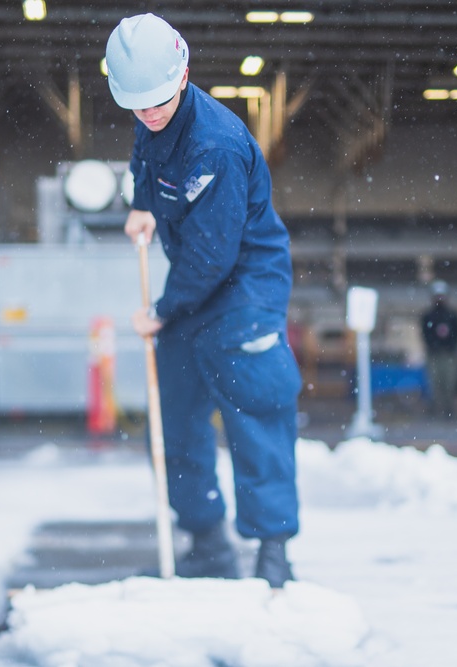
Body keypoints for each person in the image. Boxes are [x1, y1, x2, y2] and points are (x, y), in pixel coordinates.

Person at [105, 13, 302, 588]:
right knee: (172, 416)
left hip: (243, 287)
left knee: (257, 412)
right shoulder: (149, 109)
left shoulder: (215, 144)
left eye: (159, 101)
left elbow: (213, 259)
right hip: (196, 287)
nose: (149, 113)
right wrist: (143, 203)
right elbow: (147, 157)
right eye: (137, 104)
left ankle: (273, 553)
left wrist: (161, 312)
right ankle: (207, 542)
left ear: (184, 74)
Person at [420, 280, 457, 419]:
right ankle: (433, 408)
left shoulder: (453, 315)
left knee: (449, 382)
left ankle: (448, 408)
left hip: (449, 354)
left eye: (442, 296)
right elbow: (425, 334)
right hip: (434, 354)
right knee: (434, 382)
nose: (439, 299)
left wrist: (451, 348)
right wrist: (432, 347)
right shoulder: (427, 316)